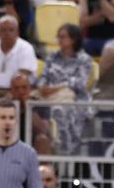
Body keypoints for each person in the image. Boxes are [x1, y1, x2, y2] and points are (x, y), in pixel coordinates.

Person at [37, 23, 92, 151]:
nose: (59, 40)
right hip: (49, 96)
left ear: (73, 39)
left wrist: (58, 87)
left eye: (63, 37)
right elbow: (43, 76)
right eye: (58, 37)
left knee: (59, 110)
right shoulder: (51, 56)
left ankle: (64, 150)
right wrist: (42, 86)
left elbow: (80, 83)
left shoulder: (83, 59)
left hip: (74, 99)